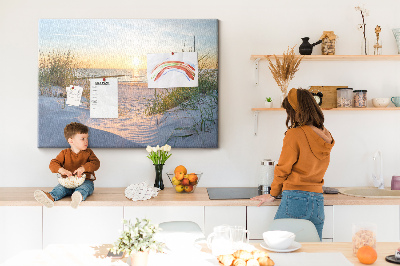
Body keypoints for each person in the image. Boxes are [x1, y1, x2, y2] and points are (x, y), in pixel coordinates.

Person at [251, 88, 335, 240]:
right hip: (317, 201)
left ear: (296, 111)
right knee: (312, 253)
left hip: (295, 199)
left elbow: (283, 169)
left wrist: (272, 194)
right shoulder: (326, 135)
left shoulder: (295, 134)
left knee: (277, 246)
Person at [34, 122, 100, 209]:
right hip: (67, 182)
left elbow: (96, 163)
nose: (86, 141)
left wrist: (83, 168)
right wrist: (62, 170)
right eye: (82, 138)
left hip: (85, 181)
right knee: (60, 188)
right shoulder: (64, 153)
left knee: (85, 188)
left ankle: (77, 196)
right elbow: (53, 163)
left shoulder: (89, 153)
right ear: (71, 140)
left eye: (87, 138)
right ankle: (50, 197)